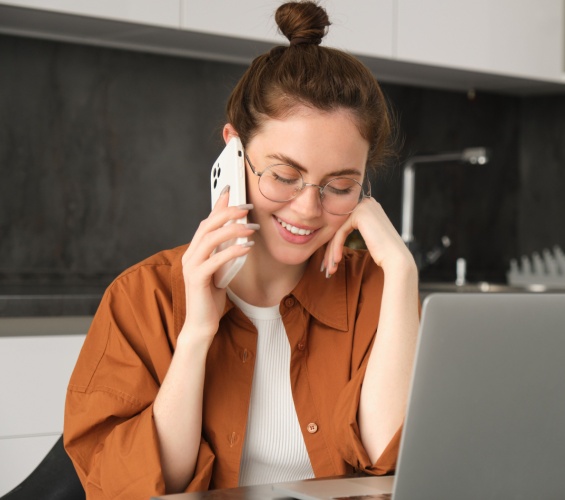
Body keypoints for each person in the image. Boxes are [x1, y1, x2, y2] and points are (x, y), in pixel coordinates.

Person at [63, 1, 420, 497]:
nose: (307, 209)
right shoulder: (141, 297)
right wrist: (196, 334)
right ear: (234, 152)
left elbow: (393, 465)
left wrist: (402, 273)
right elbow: (130, 488)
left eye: (340, 186)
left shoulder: (376, 292)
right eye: (284, 176)